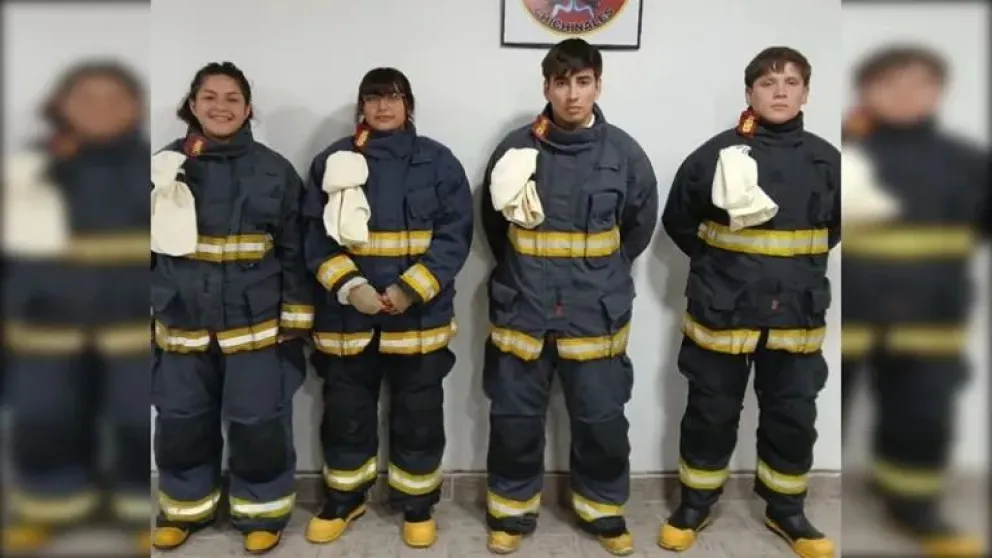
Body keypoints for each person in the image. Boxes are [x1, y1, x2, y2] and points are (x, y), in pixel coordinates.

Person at [479, 38, 659, 556]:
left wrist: (599, 274)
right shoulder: (515, 149)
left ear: (599, 85)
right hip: (523, 309)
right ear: (547, 87)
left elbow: (638, 228)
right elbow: (495, 226)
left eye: (583, 82)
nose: (572, 94)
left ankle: (603, 511)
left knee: (602, 418)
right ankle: (510, 514)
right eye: (562, 82)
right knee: (514, 418)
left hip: (595, 312)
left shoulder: (625, 154)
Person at [658, 47, 840, 558]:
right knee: (709, 413)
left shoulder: (830, 161)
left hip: (797, 318)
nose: (779, 91)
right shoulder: (714, 156)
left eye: (790, 82)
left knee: (792, 415)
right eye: (766, 82)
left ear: (807, 92)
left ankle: (787, 511)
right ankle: (696, 502)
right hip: (722, 313)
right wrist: (722, 268)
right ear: (749, 94)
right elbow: (678, 221)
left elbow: (837, 230)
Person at [301, 67, 473, 549]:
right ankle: (344, 499)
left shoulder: (438, 163)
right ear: (362, 106)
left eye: (392, 98)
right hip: (346, 318)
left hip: (417, 318)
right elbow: (311, 236)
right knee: (345, 415)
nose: (382, 106)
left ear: (408, 105)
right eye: (373, 98)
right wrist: (349, 285)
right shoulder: (332, 161)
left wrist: (410, 289)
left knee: (419, 415)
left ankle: (417, 505)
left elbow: (455, 237)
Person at [149, 61, 311, 554]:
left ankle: (262, 512)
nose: (220, 107)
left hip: (255, 322)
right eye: (210, 97)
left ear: (247, 109)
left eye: (232, 98)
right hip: (180, 320)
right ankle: (183, 510)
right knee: (180, 420)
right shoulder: (161, 168)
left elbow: (297, 247)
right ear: (193, 105)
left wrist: (296, 315)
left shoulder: (274, 169)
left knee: (258, 422)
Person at [840, 45, 988, 557]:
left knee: (922, 421)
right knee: (822, 416)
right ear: (867, 88)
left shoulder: (969, 162)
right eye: (891, 81)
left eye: (920, 82)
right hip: (845, 321)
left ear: (939, 91)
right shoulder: (838, 152)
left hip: (931, 324)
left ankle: (915, 512)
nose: (905, 93)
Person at [1, 60, 151, 554]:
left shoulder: (155, 168)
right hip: (44, 334)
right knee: (45, 421)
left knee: (135, 424)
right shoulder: (28, 169)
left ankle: (136, 513)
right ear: (59, 104)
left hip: (131, 333)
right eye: (86, 97)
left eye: (115, 98)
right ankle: (49, 507)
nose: (100, 109)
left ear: (137, 107)